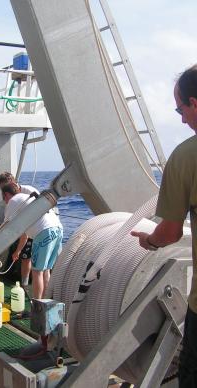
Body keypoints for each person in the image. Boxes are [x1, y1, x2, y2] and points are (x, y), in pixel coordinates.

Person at [131, 64, 197, 388]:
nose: (182, 119)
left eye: (180, 109)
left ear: (194, 104)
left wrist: (150, 241)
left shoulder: (186, 156)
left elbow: (170, 232)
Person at [2, 182, 63, 299]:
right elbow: (25, 234)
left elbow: (5, 229)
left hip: (44, 233)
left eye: (4, 198)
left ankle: (36, 305)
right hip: (58, 229)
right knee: (46, 270)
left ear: (6, 195)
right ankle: (45, 302)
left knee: (37, 272)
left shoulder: (13, 202)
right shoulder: (25, 198)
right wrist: (18, 251)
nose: (5, 202)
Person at [0, 172, 40, 287]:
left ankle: (26, 284)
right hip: (25, 227)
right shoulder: (13, 198)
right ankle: (24, 283)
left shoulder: (29, 191)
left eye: (4, 188)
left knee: (29, 259)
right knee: (25, 256)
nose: (3, 192)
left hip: (35, 227)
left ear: (12, 182)